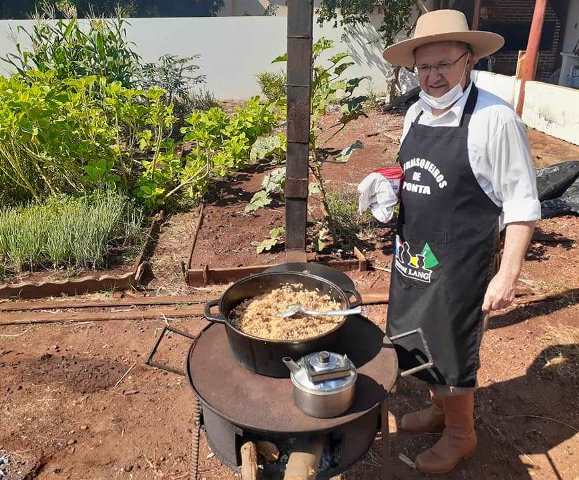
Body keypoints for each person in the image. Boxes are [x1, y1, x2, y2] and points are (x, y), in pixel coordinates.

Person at [381, 9, 540, 474]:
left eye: (443, 64)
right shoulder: (414, 112)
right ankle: (438, 409)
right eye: (423, 66)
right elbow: (414, 177)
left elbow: (522, 203)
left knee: (449, 347)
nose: (432, 76)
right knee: (414, 338)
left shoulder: (495, 120)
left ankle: (460, 433)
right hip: (412, 254)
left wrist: (507, 273)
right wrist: (386, 190)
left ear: (467, 60)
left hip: (459, 266)